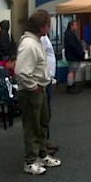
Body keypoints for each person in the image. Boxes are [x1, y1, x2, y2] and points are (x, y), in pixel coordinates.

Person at [15, 11, 61, 175]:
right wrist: (33, 86)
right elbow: (21, 71)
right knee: (32, 126)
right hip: (31, 92)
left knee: (42, 124)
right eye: (48, 25)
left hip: (39, 89)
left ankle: (41, 155)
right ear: (42, 27)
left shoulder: (36, 41)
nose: (49, 27)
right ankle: (30, 161)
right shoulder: (29, 44)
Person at [40, 20, 59, 156]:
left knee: (47, 112)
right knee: (43, 113)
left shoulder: (44, 38)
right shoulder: (40, 39)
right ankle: (42, 145)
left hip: (47, 78)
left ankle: (45, 141)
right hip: (44, 79)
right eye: (48, 25)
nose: (50, 28)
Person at [64, 20, 85, 94]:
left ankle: (72, 84)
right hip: (72, 56)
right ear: (71, 26)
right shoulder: (69, 35)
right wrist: (79, 51)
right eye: (75, 25)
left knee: (73, 71)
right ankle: (69, 86)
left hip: (73, 55)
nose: (76, 26)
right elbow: (73, 46)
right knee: (72, 71)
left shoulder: (70, 34)